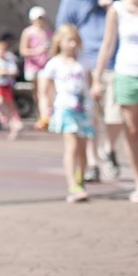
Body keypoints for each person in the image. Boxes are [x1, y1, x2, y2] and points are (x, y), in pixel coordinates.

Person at [55, 0, 125, 181]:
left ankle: (109, 148)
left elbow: (128, 21)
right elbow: (64, 31)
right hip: (85, 65)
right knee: (90, 116)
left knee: (115, 116)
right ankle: (93, 161)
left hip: (113, 62)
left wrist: (111, 9)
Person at [93, 0, 138, 204]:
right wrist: (97, 79)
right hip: (126, 73)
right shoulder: (117, 9)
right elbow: (107, 45)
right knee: (131, 131)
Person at [37, 25, 94, 203]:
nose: (71, 44)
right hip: (65, 107)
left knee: (83, 150)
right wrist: (45, 112)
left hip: (83, 109)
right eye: (68, 40)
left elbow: (90, 84)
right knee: (72, 146)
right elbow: (44, 91)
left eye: (74, 41)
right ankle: (72, 184)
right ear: (59, 42)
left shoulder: (83, 61)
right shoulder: (54, 63)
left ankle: (80, 178)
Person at [0, 34, 24, 139]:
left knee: (10, 104)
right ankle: (7, 118)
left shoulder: (8, 60)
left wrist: (6, 72)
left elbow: (15, 72)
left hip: (6, 85)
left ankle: (14, 120)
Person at [19, 5, 52, 82]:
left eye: (42, 18)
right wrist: (38, 51)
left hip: (45, 66)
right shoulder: (27, 32)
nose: (40, 21)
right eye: (38, 18)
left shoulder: (48, 32)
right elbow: (23, 51)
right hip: (32, 66)